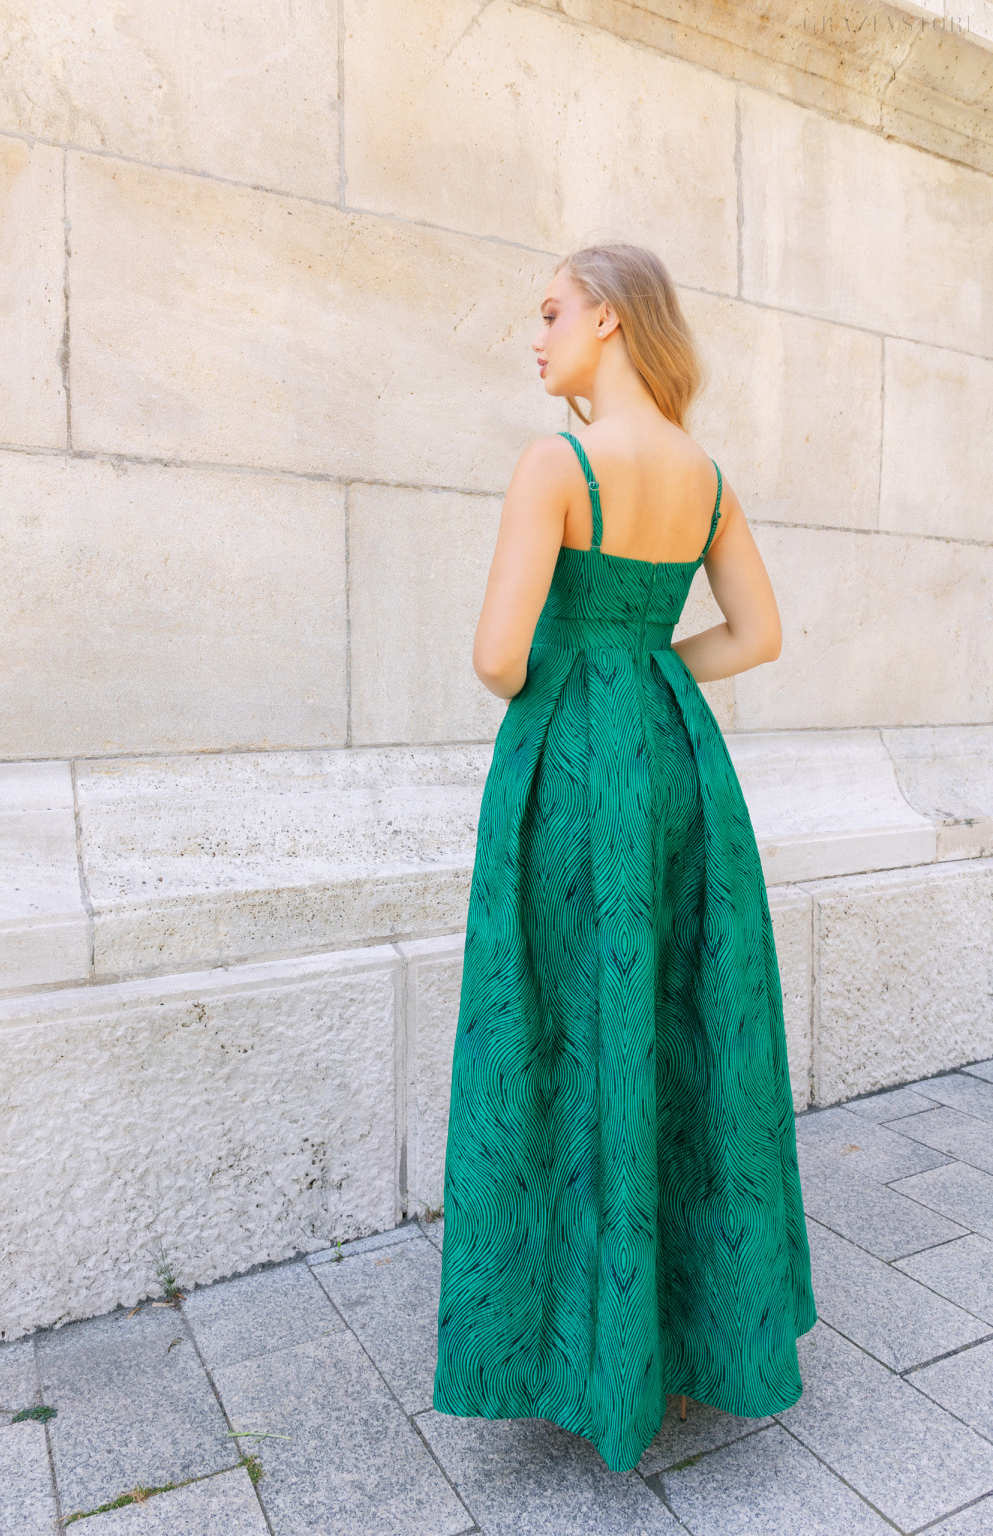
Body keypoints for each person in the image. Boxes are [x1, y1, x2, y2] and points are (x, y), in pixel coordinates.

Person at [431, 242, 817, 1474]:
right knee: (680, 1026)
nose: (536, 336)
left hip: (569, 776)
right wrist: (650, 677)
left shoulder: (558, 464)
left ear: (607, 317)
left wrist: (577, 680)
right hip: (677, 769)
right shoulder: (705, 478)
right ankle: (690, 1330)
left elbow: (497, 658)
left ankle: (573, 1344)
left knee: (557, 1030)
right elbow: (756, 634)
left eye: (551, 312)